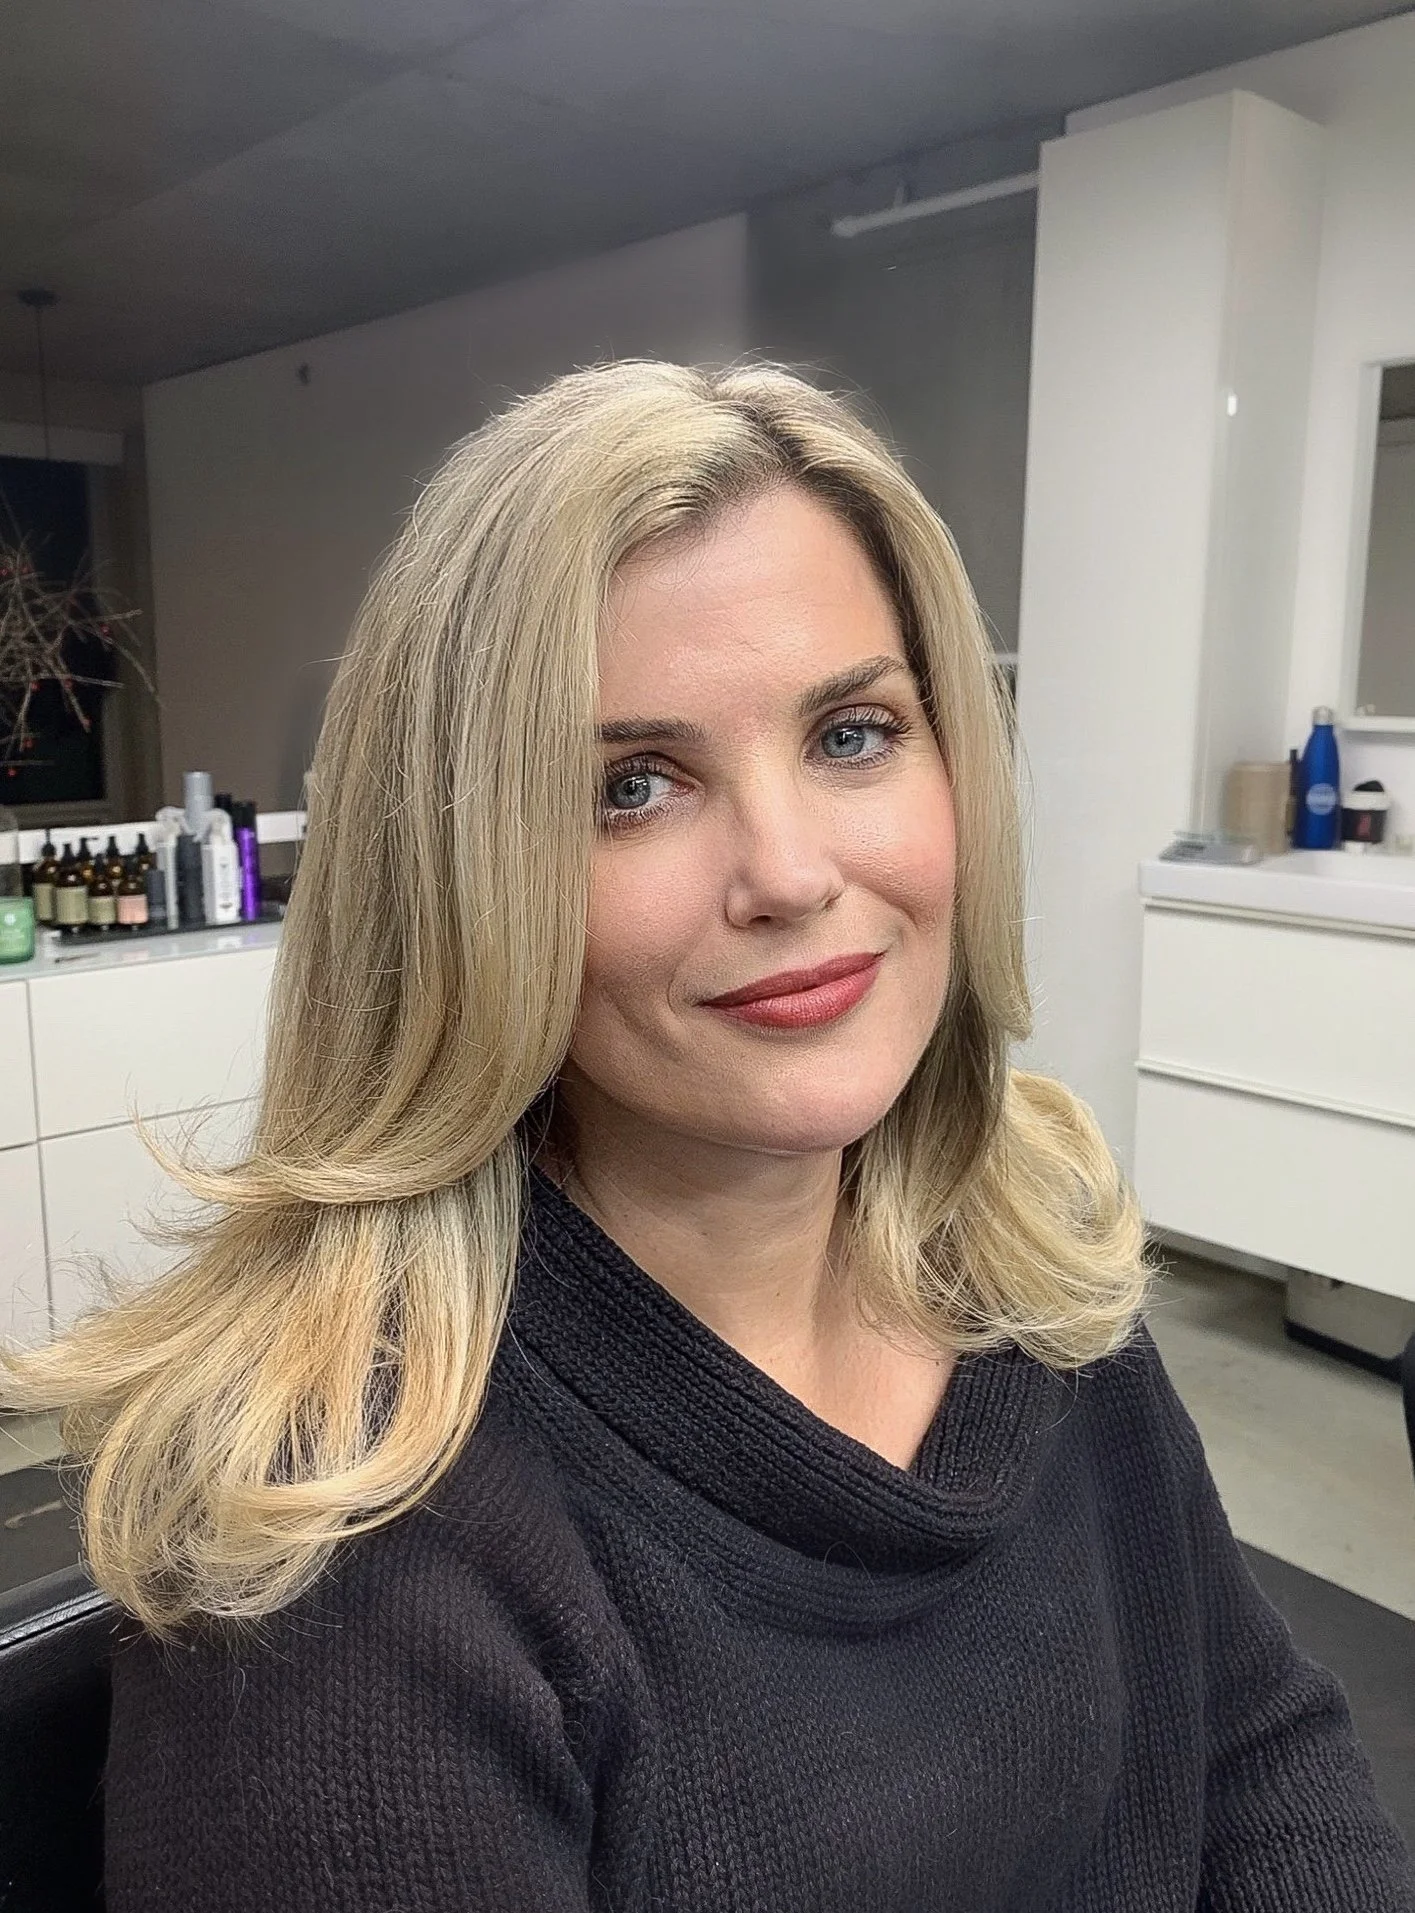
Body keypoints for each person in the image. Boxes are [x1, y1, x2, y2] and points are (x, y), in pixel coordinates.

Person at [3, 360, 1409, 1911]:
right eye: (634, 784)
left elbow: (1251, 1744)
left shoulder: (1026, 1260)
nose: (790, 872)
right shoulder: (349, 1567)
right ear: (463, 878)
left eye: (854, 734)